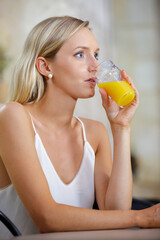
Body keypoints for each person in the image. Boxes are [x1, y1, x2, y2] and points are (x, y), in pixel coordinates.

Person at [0, 16, 159, 238]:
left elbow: (115, 214)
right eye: (80, 54)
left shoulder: (94, 133)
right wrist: (142, 216)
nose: (95, 66)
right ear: (45, 66)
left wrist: (121, 127)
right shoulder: (12, 116)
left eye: (96, 54)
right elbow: (47, 219)